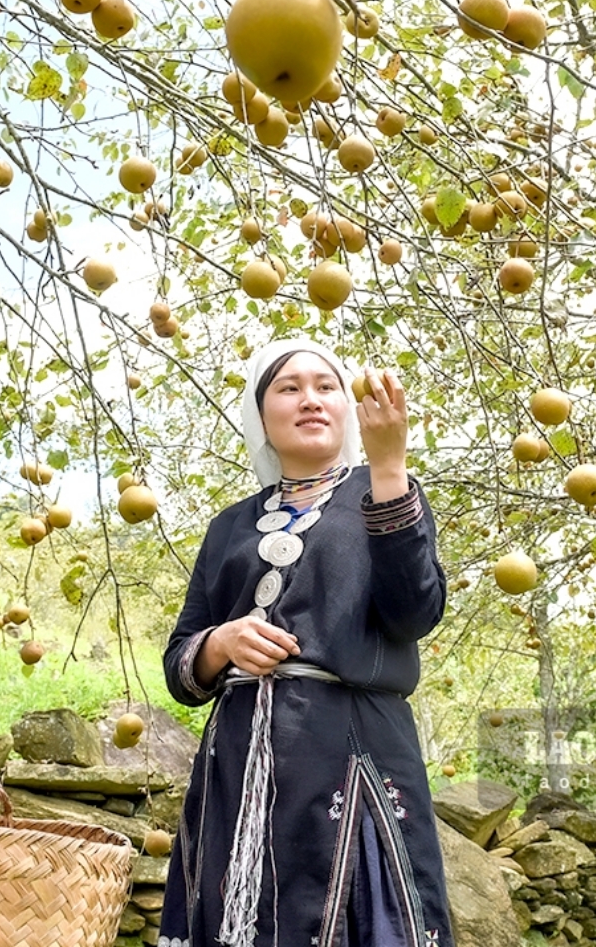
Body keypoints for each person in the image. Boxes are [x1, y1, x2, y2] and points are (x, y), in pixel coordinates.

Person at [157, 339, 454, 947]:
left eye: (326, 387)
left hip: (350, 752)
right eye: (288, 389)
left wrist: (390, 464)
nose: (310, 400)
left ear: (347, 408)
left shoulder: (386, 491)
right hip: (238, 762)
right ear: (261, 415)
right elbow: (180, 660)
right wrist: (222, 642)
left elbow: (414, 615)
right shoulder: (229, 526)